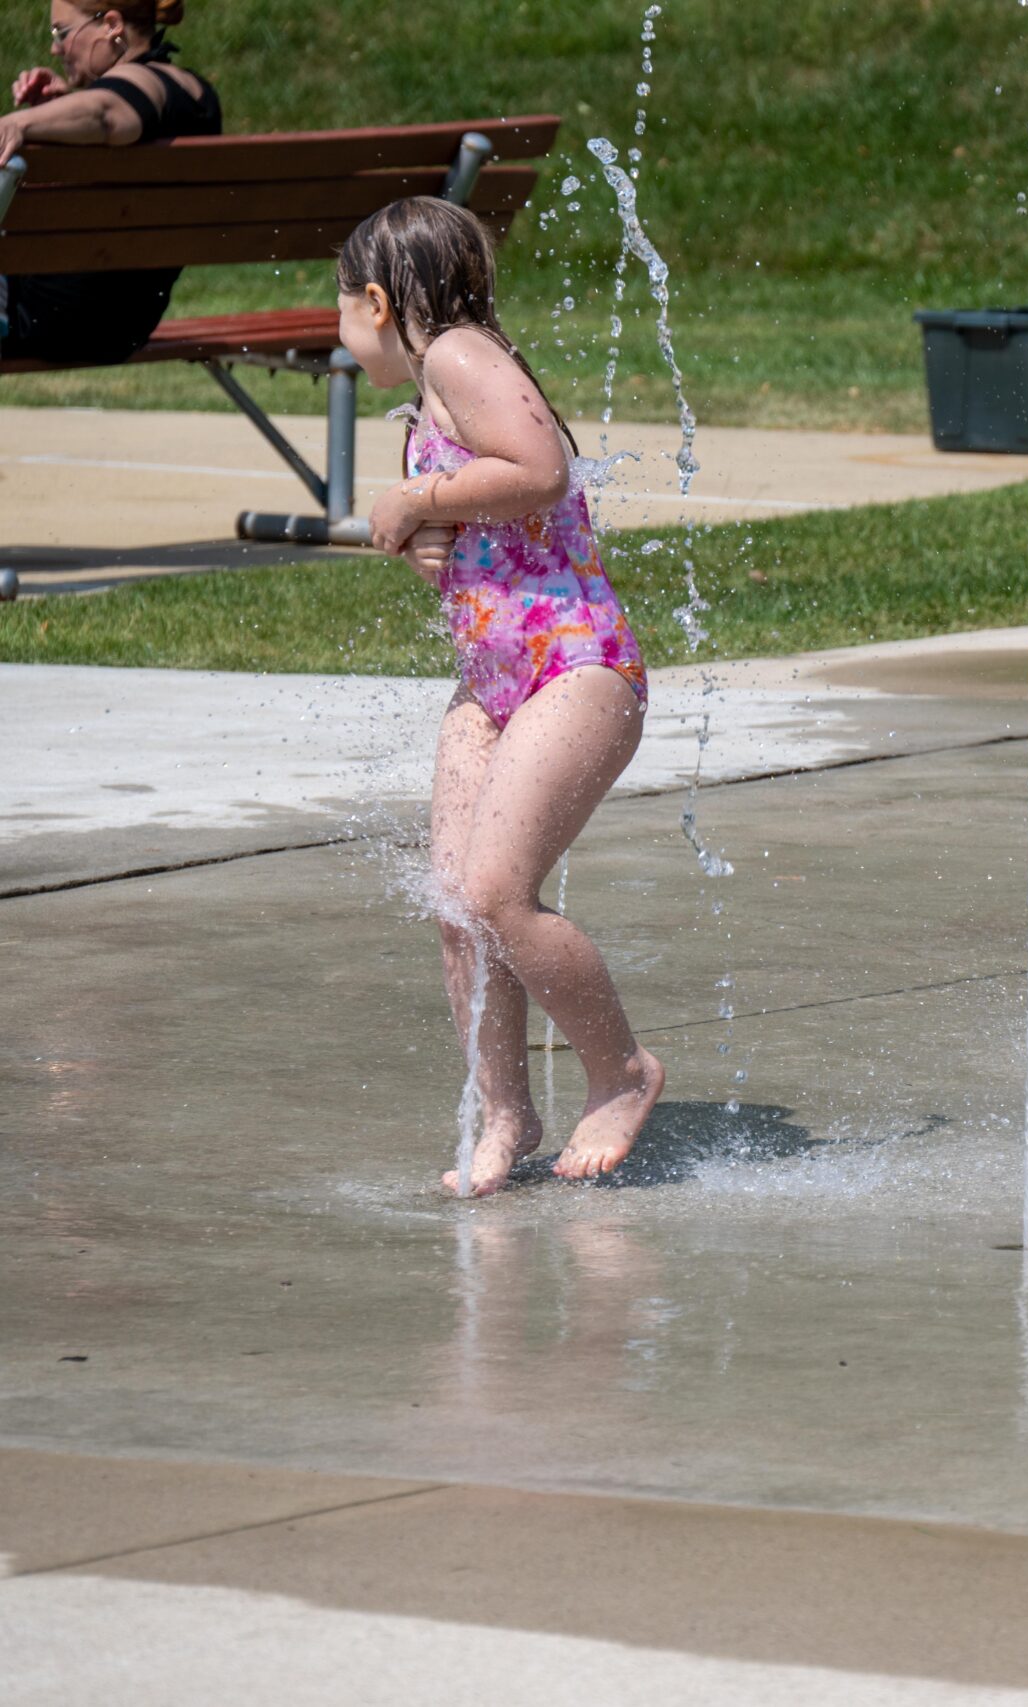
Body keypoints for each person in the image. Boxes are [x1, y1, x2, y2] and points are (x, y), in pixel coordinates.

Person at [335, 196, 661, 1196]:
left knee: (493, 894)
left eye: (340, 306)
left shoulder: (456, 358)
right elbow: (489, 527)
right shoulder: (434, 393)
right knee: (455, 904)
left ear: (381, 303)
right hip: (495, 683)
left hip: (575, 667)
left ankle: (622, 1071)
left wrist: (421, 499)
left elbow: (539, 469)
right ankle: (506, 1112)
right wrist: (426, 538)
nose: (337, 332)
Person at [1, 1, 220, 364]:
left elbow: (106, 114)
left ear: (112, 26)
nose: (55, 48)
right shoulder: (196, 94)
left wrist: (18, 123)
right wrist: (59, 110)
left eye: (63, 33)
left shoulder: (142, 85)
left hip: (43, 321)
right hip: (122, 326)